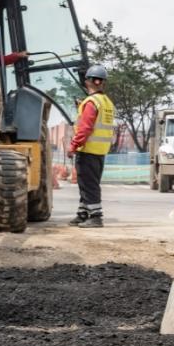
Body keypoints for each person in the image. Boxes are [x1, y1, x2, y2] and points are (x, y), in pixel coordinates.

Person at [67, 64, 115, 228]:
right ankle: (83, 213)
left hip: (87, 150)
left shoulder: (91, 102)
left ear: (88, 82)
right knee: (86, 184)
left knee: (89, 185)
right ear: (102, 82)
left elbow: (85, 128)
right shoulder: (106, 102)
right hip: (100, 151)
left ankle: (96, 217)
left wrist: (73, 146)